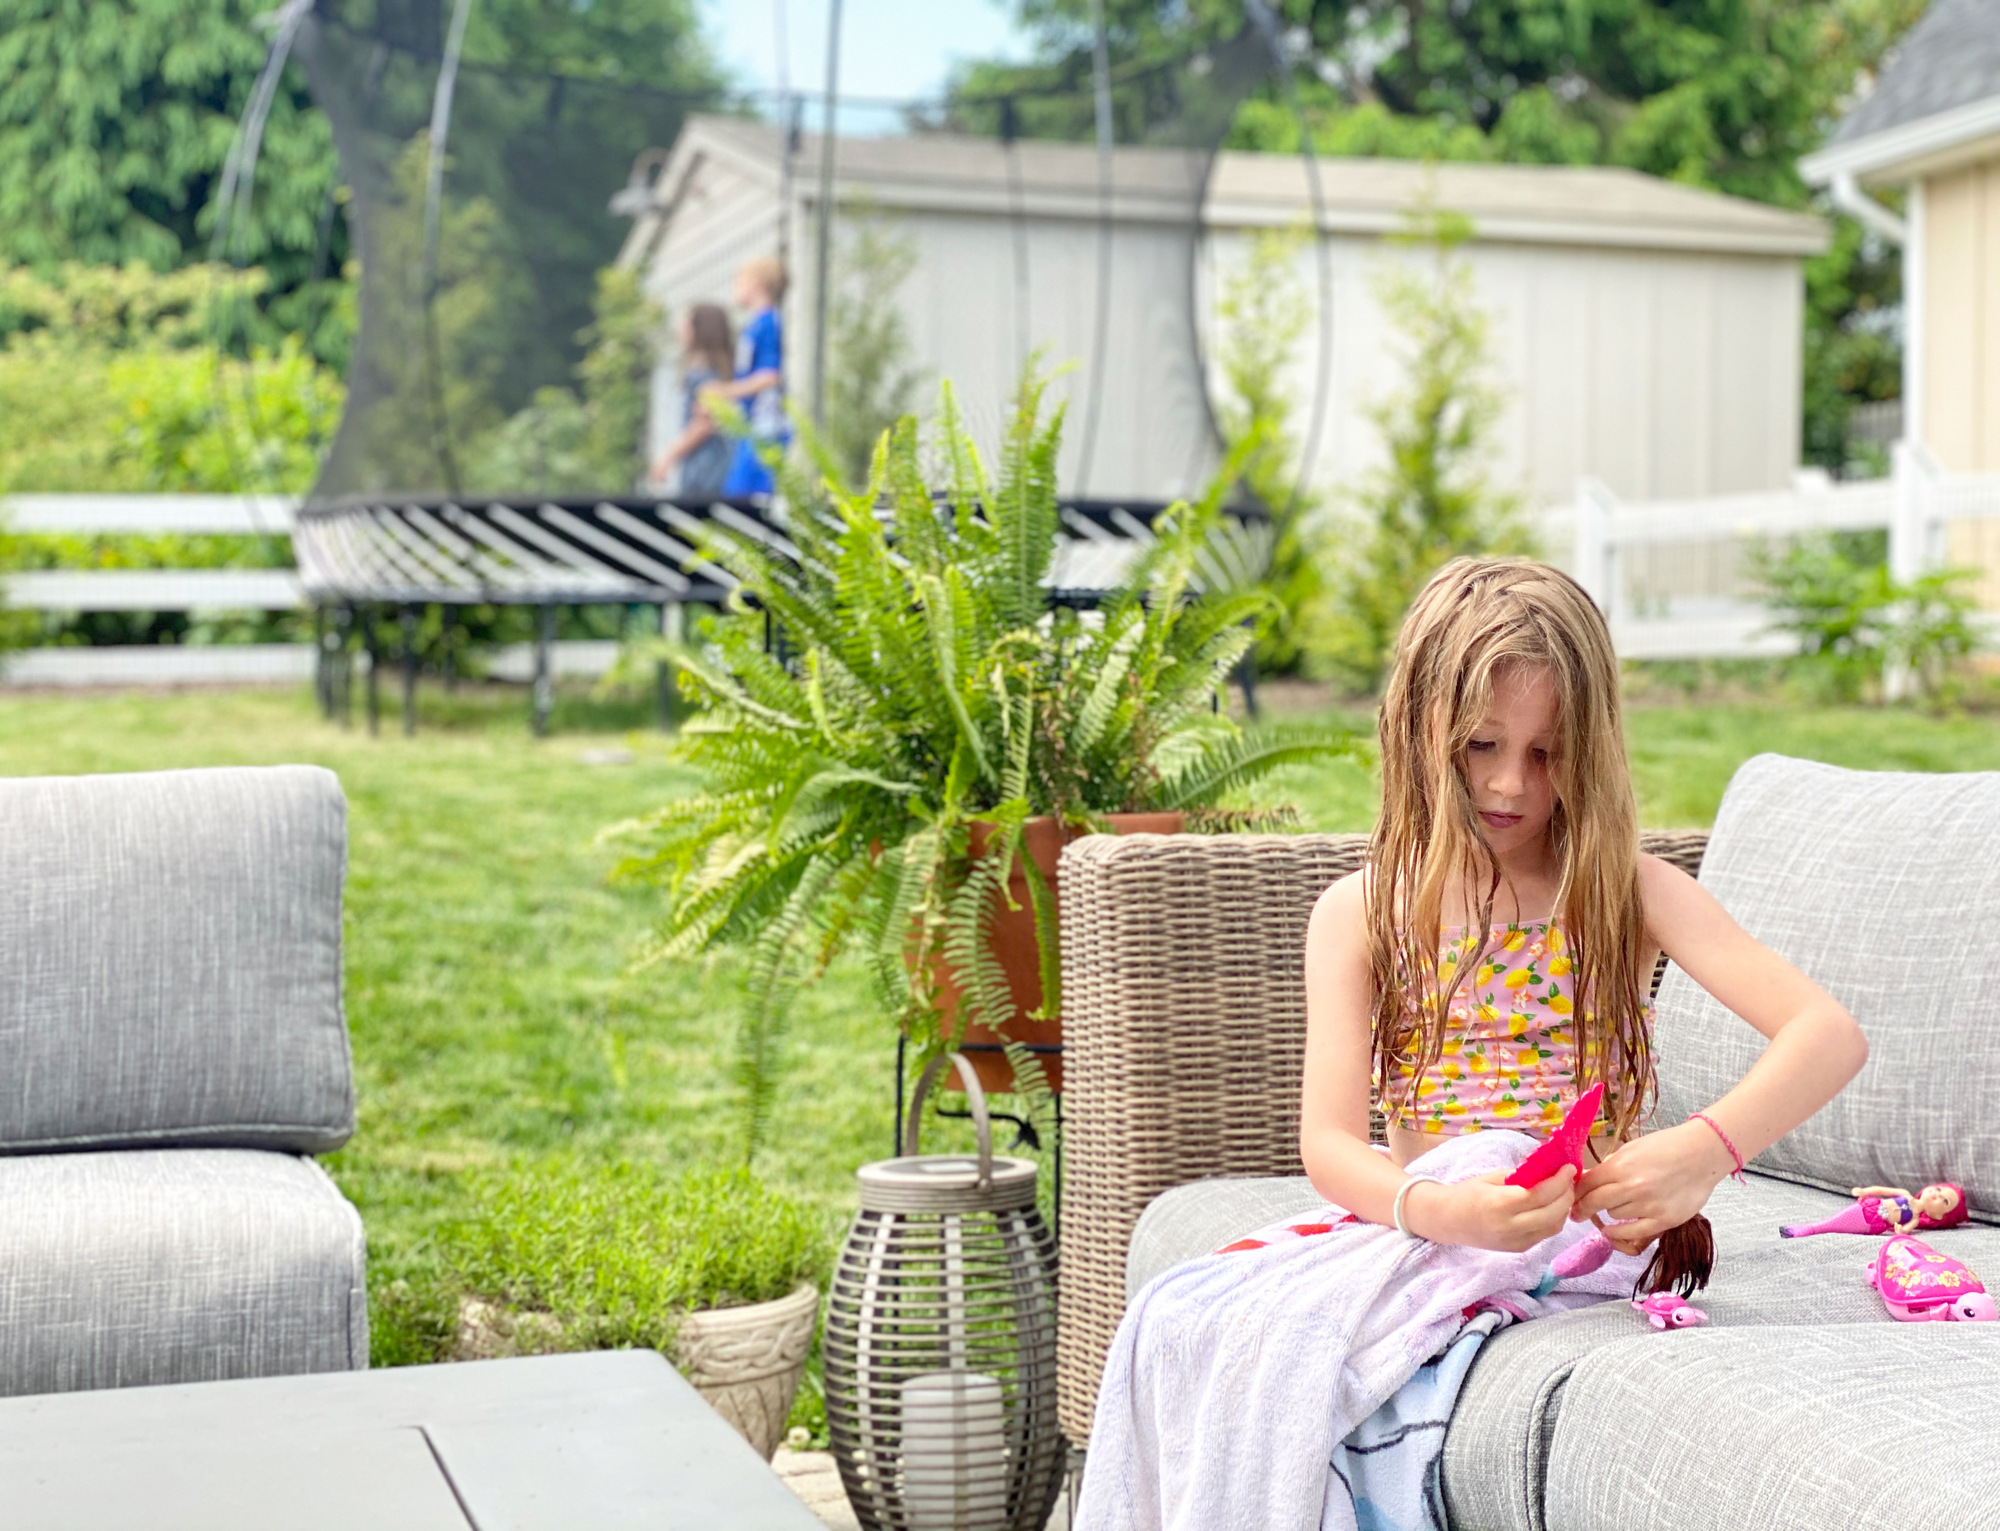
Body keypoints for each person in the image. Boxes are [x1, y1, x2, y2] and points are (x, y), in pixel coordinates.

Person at [1300, 557, 1868, 1258]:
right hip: (1435, 1240)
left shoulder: (1628, 894)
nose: (1510, 783)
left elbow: (1829, 1034)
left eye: (1549, 753)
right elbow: (1328, 1143)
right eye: (1482, 745)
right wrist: (1445, 1212)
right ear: (1423, 730)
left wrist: (1702, 1152)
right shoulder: (1362, 910)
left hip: (1581, 1257)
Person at [702, 255, 787, 499]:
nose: (735, 289)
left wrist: (724, 391)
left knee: (744, 500)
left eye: (739, 282)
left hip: (766, 428)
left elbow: (770, 376)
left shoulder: (769, 322)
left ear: (756, 283)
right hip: (750, 427)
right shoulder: (754, 325)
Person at [649, 302, 735, 498]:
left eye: (685, 324)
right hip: (717, 465)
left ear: (699, 330)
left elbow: (704, 424)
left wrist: (667, 458)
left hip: (705, 467)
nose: (679, 329)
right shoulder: (720, 370)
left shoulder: (701, 372)